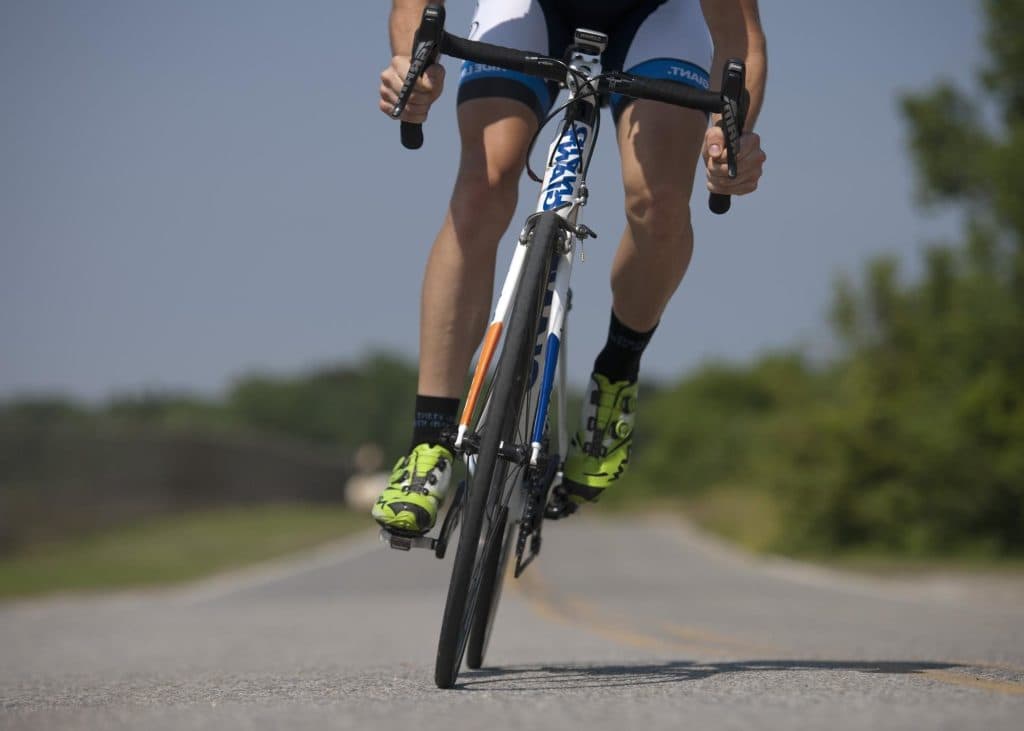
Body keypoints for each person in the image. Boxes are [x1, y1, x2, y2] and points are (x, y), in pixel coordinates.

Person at [373, 0, 766, 534]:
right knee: (482, 188)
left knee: (660, 204)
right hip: (528, 9)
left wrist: (731, 136)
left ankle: (616, 376)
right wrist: (407, 62)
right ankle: (430, 442)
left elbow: (739, 38)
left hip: (654, 17)